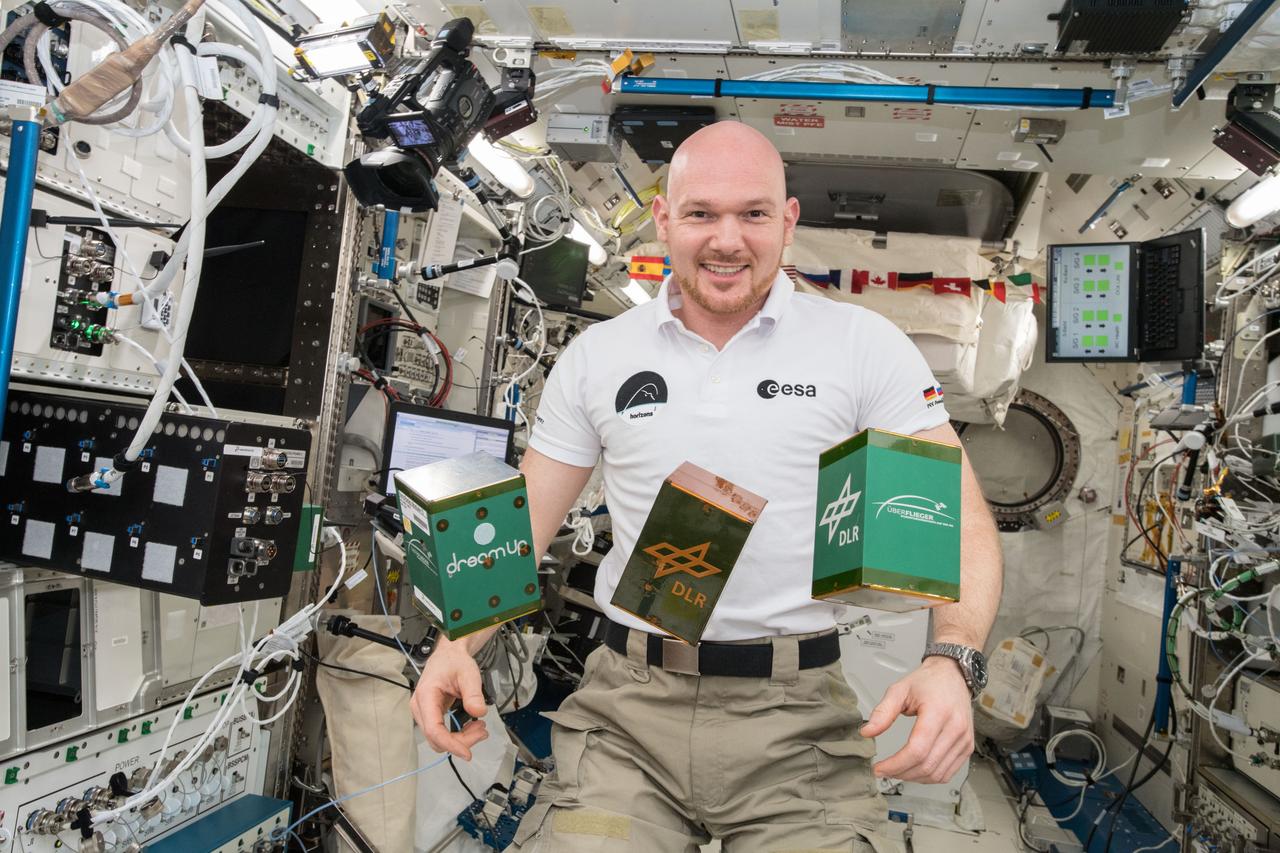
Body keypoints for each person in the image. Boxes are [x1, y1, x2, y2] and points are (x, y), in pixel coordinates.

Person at [411, 120, 1003, 852]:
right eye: (701, 214)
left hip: (796, 726)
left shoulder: (861, 346)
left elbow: (960, 520)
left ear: (787, 221)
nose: (728, 239)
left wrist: (954, 659)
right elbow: (527, 514)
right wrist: (456, 643)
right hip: (628, 712)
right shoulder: (600, 357)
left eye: (753, 213)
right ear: (664, 220)